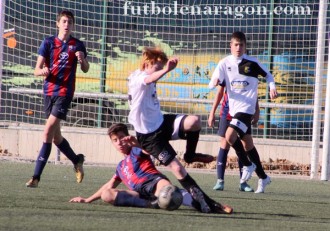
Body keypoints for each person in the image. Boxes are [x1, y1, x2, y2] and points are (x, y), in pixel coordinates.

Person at [127, 47, 232, 213]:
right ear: (147, 64)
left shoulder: (140, 74)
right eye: (158, 67)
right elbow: (148, 79)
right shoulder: (139, 78)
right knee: (177, 168)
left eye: (161, 68)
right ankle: (206, 203)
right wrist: (167, 70)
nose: (160, 71)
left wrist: (162, 67)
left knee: (194, 122)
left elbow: (151, 76)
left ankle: (190, 155)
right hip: (148, 137)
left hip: (161, 123)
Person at [26, 10, 90, 188]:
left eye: (70, 21)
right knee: (55, 138)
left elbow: (85, 68)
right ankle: (77, 160)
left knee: (47, 133)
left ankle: (36, 177)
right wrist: (43, 71)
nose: (66, 24)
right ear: (58, 24)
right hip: (49, 93)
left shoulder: (77, 45)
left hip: (65, 93)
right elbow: (36, 70)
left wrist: (82, 59)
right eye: (64, 21)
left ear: (73, 25)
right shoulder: (48, 43)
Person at [209, 31, 278, 193]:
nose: (238, 48)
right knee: (248, 144)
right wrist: (213, 83)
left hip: (246, 109)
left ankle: (247, 165)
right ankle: (263, 177)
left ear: (245, 46)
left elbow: (269, 76)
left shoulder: (252, 63)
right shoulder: (224, 63)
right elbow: (214, 80)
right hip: (233, 110)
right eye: (235, 44)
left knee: (230, 136)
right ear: (230, 46)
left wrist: (272, 87)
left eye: (241, 45)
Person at [69, 123, 196, 210]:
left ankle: (197, 200)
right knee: (106, 194)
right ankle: (149, 204)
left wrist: (138, 144)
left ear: (127, 137)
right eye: (115, 140)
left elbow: (148, 151)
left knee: (168, 194)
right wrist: (87, 200)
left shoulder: (135, 150)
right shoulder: (120, 167)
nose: (119, 142)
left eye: (121, 138)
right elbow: (109, 185)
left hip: (155, 183)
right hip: (139, 194)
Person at [208, 86, 261, 192]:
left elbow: (252, 91)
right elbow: (219, 92)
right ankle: (220, 181)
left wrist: (257, 110)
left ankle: (243, 182)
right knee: (224, 143)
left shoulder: (246, 72)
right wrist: (212, 112)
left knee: (242, 144)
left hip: (243, 114)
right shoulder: (226, 70)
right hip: (226, 114)